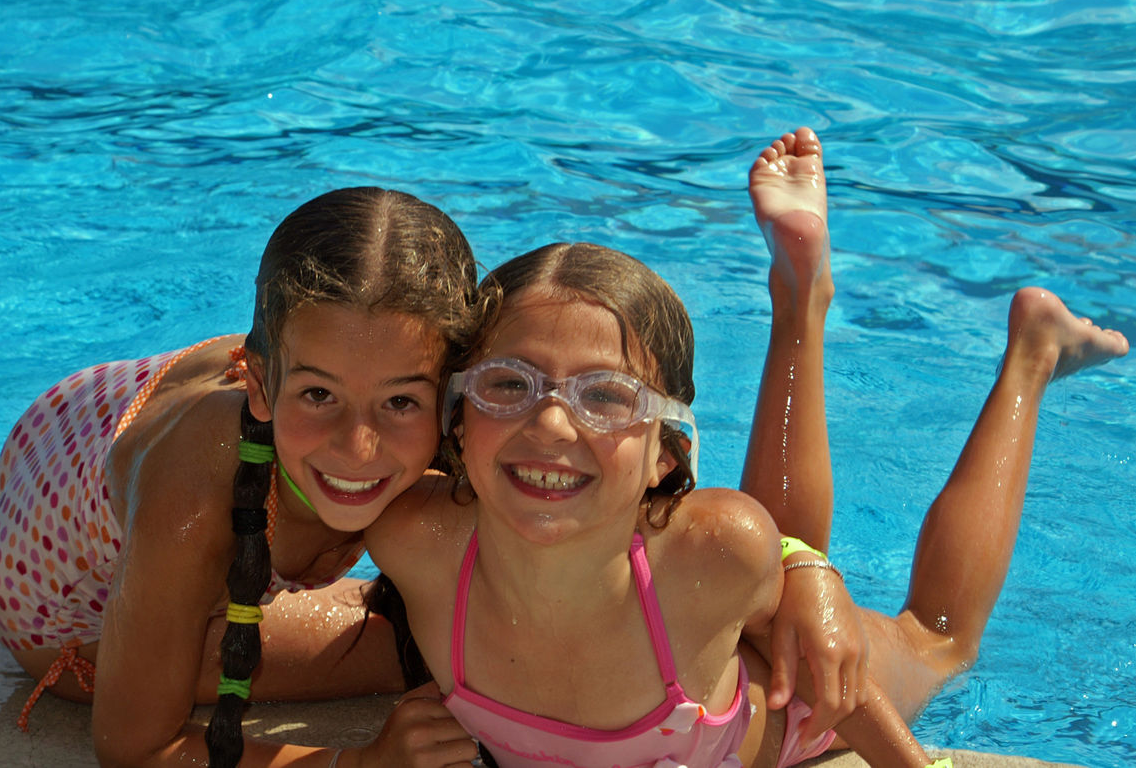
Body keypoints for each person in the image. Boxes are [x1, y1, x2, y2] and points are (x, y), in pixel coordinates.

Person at [0, 178, 866, 768]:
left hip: (76, 475)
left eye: (403, 405)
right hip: (67, 592)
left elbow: (702, 533)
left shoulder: (424, 409)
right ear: (260, 377)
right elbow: (134, 749)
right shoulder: (202, 500)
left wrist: (804, 570)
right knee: (418, 642)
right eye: (320, 395)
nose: (366, 450)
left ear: (452, 387)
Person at [362, 137, 1129, 768]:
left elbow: (835, 677)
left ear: (665, 455)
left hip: (795, 708)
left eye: (605, 397)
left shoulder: (708, 557)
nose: (553, 424)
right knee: (771, 554)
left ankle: (1029, 356)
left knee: (937, 637)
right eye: (508, 385)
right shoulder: (412, 537)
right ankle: (799, 293)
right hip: (730, 592)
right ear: (457, 419)